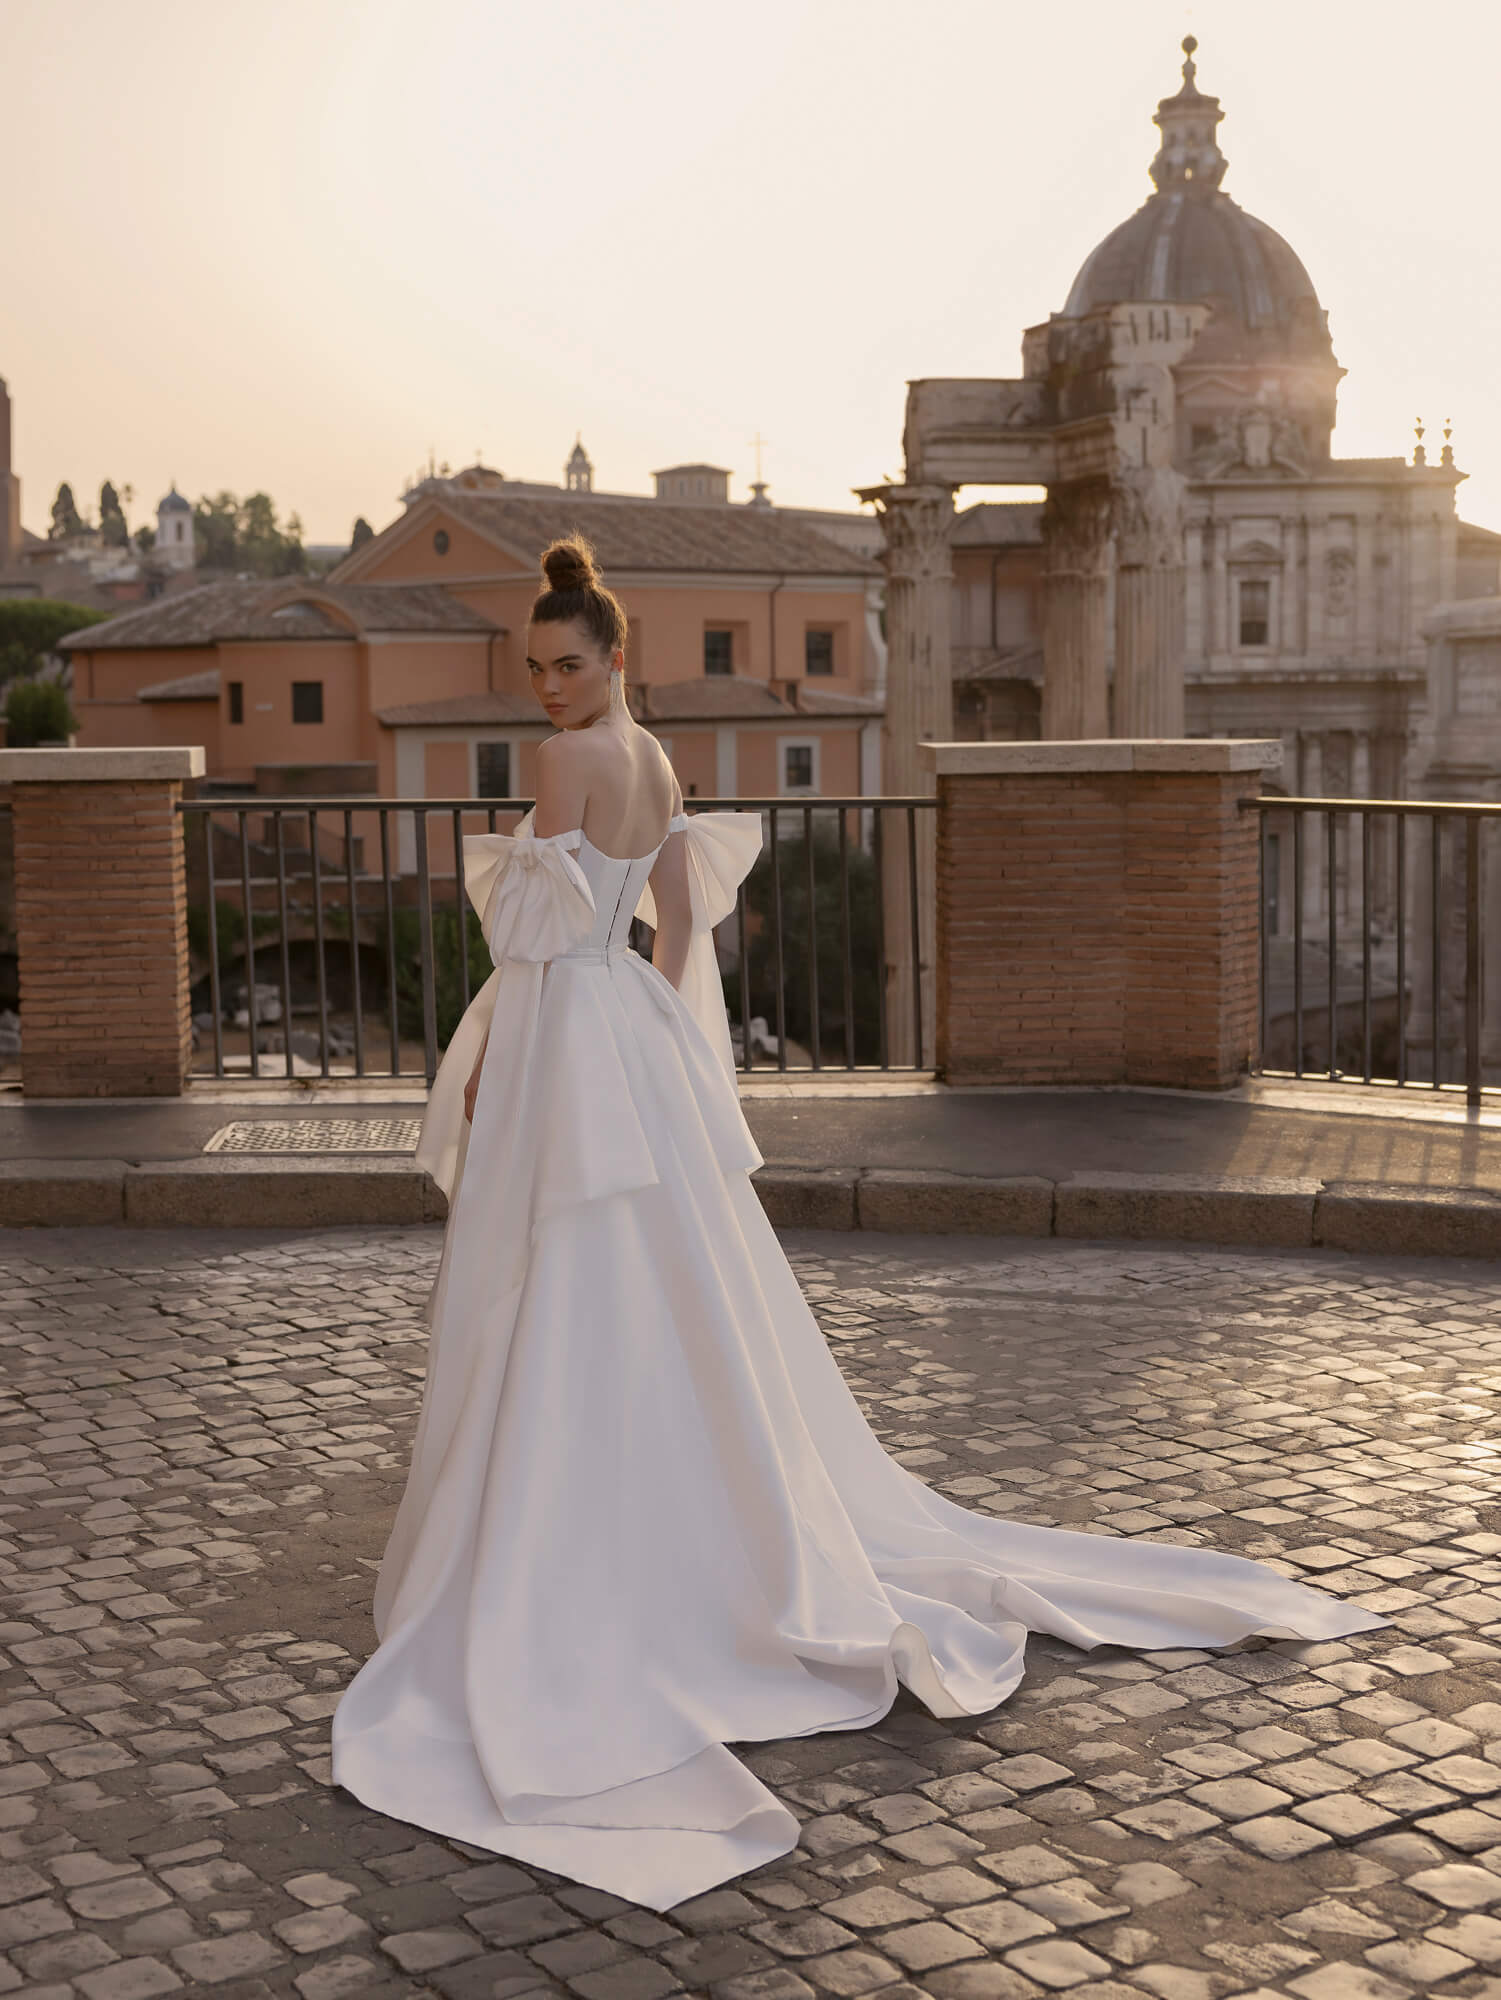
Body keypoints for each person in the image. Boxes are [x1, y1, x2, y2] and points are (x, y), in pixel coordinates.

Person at [330, 534, 1389, 1914]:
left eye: (567, 665)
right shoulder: (656, 762)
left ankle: (568, 1536)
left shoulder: (561, 765)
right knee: (668, 1278)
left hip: (563, 1034)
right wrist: (643, 1028)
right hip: (629, 1034)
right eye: (531, 669)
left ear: (612, 656)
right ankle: (678, 1511)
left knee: (561, 1275)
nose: (545, 688)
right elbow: (670, 933)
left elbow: (527, 938)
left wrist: (480, 1062)